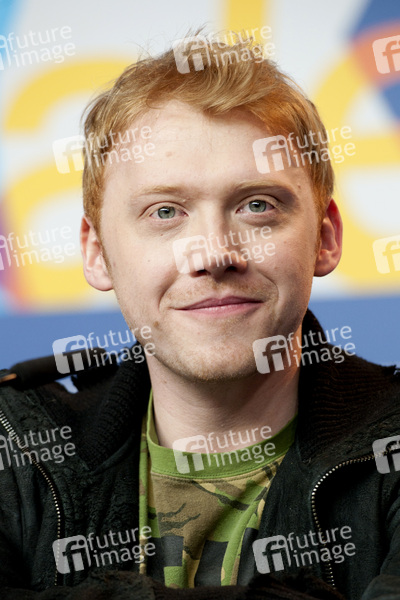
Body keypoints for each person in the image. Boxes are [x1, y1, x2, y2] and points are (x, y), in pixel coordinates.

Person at [0, 34, 399, 600]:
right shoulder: (15, 450)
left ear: (326, 237)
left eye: (257, 205)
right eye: (165, 212)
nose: (212, 253)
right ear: (96, 253)